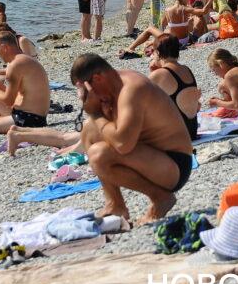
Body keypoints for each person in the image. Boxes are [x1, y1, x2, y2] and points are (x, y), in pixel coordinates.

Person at [71, 53, 193, 224]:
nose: (88, 98)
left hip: (175, 165)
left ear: (97, 79)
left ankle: (160, 198)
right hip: (152, 156)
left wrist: (96, 113)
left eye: (88, 92)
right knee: (89, 130)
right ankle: (115, 204)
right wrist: (101, 113)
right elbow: (116, 131)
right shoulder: (113, 86)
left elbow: (123, 144)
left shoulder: (132, 89)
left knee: (99, 154)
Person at [119, 0, 213, 57]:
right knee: (168, 30)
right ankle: (145, 44)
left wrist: (158, 39)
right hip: (185, 40)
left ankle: (131, 47)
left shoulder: (167, 10)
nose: (187, 0)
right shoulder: (185, 9)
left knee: (150, 29)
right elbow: (204, 11)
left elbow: (162, 26)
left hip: (173, 43)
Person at [148, 34, 201, 141]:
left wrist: (152, 72)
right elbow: (197, 106)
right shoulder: (186, 69)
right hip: (191, 131)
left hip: (174, 136)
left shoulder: (159, 74)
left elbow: (142, 103)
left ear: (157, 52)